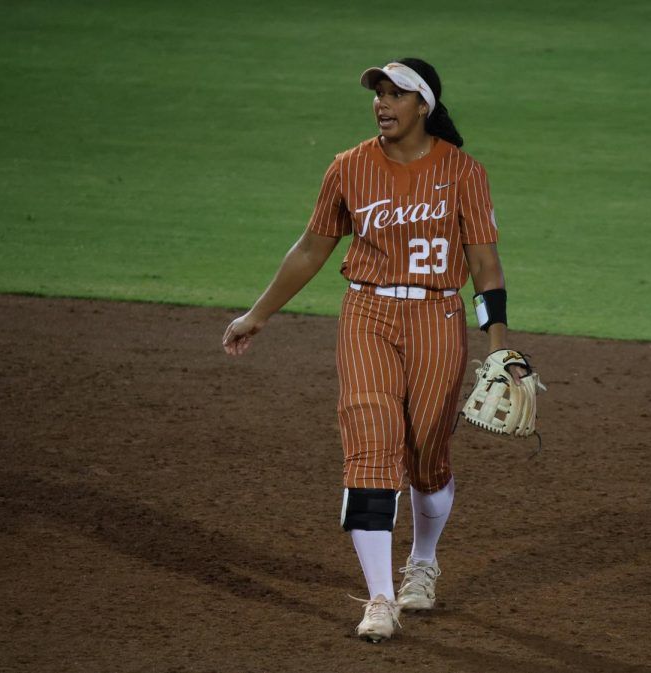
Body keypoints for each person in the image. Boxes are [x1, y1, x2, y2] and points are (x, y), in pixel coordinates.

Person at [222, 57, 520, 643]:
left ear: (423, 106)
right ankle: (381, 598)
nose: (382, 104)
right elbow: (311, 249)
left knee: (428, 456)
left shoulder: (463, 172)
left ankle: (423, 561)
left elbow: (484, 266)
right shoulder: (349, 168)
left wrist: (500, 348)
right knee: (370, 444)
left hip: (438, 317)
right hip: (367, 314)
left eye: (395, 94)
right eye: (378, 94)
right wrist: (258, 314)